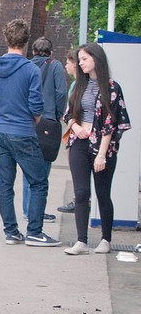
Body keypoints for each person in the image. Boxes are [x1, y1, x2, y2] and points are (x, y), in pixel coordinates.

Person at [0, 19, 61, 247]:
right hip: (23, 134)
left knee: (5, 185)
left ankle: (11, 232)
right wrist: (33, 120)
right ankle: (35, 232)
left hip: (0, 134)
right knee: (38, 182)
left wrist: (1, 113)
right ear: (27, 43)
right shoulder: (30, 69)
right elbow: (37, 106)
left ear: (6, 40)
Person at [63, 43, 131, 255]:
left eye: (83, 59)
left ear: (96, 59)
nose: (80, 63)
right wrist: (75, 126)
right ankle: (81, 241)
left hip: (103, 146)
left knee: (103, 193)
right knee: (81, 193)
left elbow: (111, 122)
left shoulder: (112, 87)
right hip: (80, 143)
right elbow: (68, 114)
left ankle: (105, 239)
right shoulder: (79, 86)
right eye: (79, 59)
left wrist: (101, 154)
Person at [21, 37, 67, 223]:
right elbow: (62, 92)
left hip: (27, 122)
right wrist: (57, 113)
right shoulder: (55, 66)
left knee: (27, 167)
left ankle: (27, 209)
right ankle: (37, 211)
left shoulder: (26, 66)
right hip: (47, 121)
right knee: (44, 166)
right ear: (51, 52)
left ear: (33, 52)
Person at [57, 49, 79, 214]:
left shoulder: (77, 85)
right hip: (75, 132)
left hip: (77, 133)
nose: (66, 66)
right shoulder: (74, 84)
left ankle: (77, 200)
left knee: (77, 169)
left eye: (68, 63)